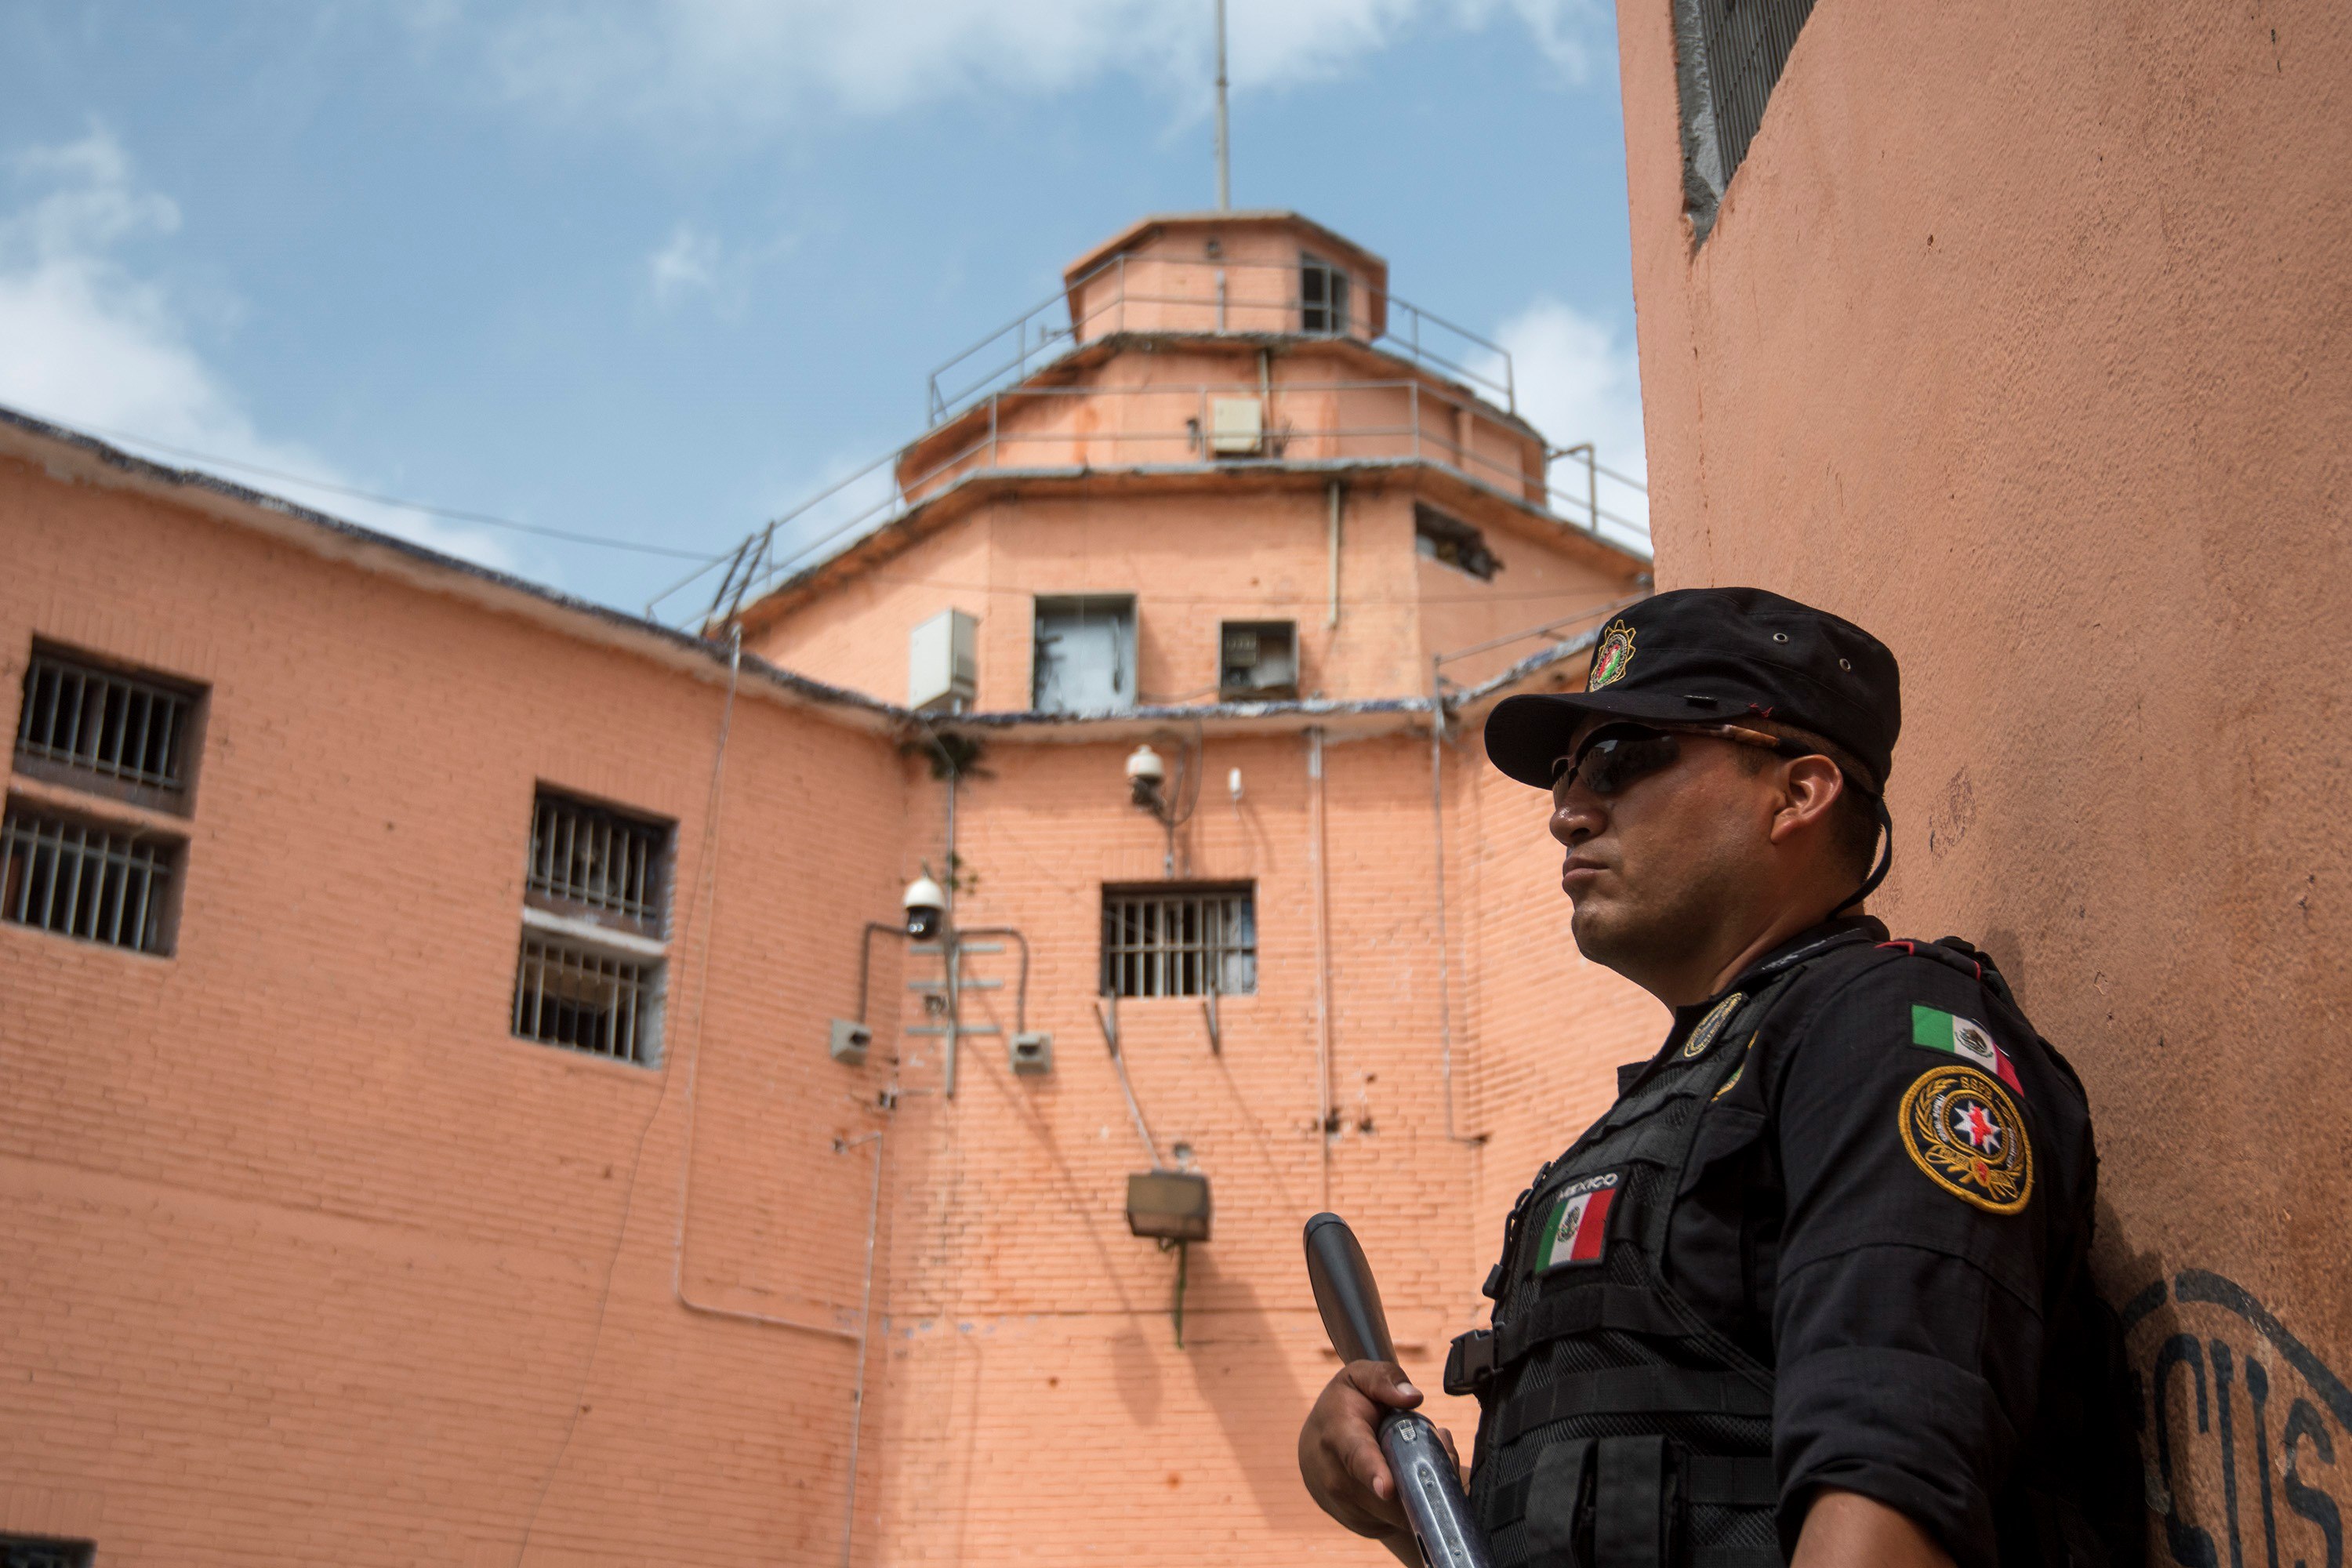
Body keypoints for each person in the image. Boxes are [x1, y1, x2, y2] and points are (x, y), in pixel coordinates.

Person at [1298, 588, 2140, 1568]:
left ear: (1799, 791)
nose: (1567, 813)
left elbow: (1891, 1496)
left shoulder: (1885, 1033)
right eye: (1567, 774)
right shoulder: (1686, 1090)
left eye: (1619, 758)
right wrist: (1402, 1505)